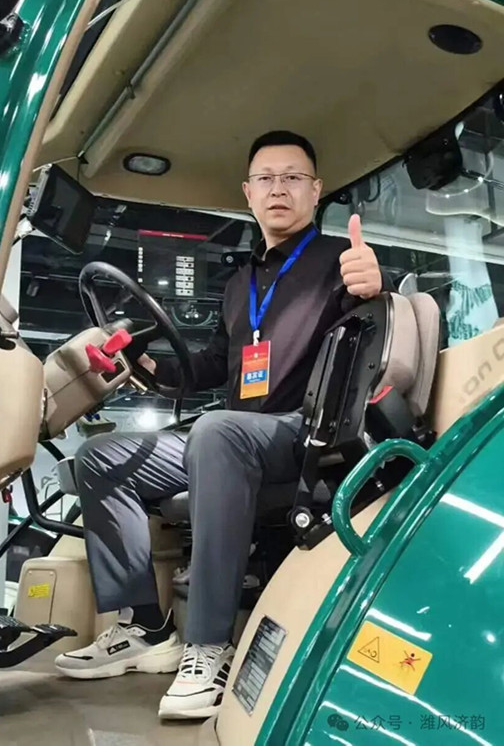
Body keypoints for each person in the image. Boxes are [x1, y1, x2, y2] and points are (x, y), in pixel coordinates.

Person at [55, 130, 388, 719]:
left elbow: (370, 330)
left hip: (300, 430)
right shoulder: (240, 284)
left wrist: (373, 287)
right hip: (233, 434)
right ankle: (145, 628)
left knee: (216, 431)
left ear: (315, 191)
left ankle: (207, 646)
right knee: (98, 458)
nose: (279, 189)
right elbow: (210, 366)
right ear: (248, 192)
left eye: (292, 178)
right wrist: (146, 365)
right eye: (266, 179)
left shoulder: (340, 261)